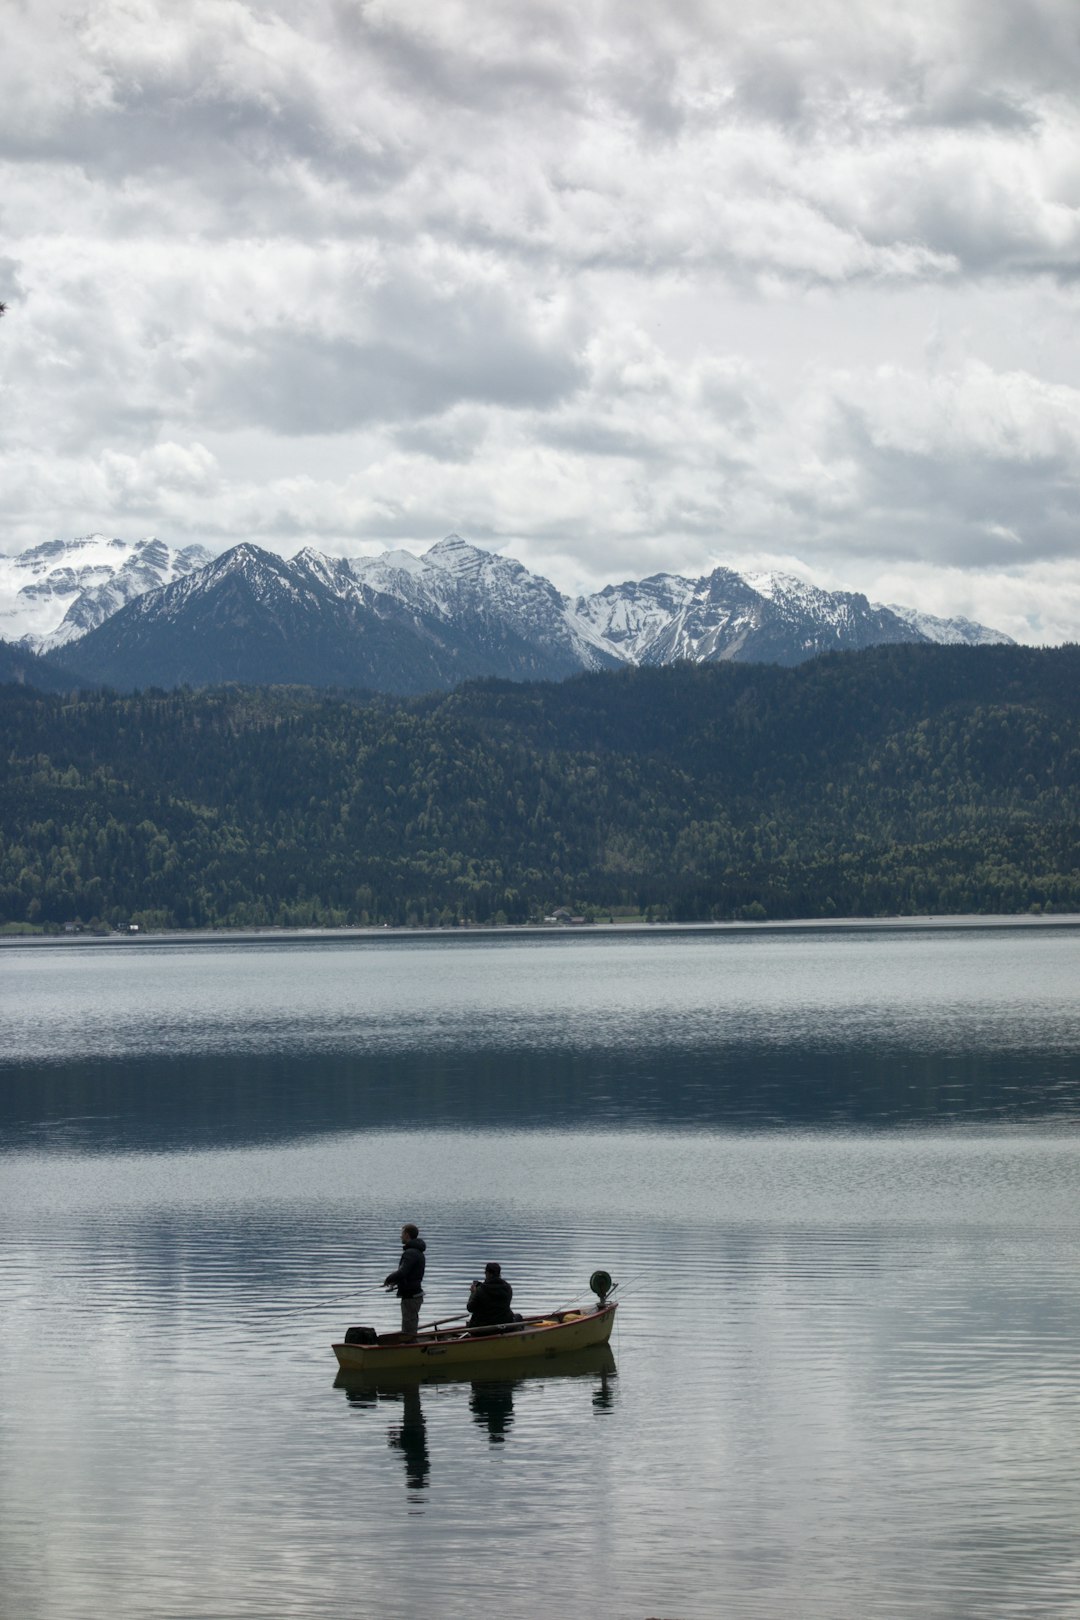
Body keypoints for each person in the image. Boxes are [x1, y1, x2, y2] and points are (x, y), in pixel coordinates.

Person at [384, 1223, 426, 1341]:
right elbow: (410, 1274)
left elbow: (403, 1272)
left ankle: (410, 1350)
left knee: (408, 1329)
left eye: (402, 1234)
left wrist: (389, 1279)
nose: (400, 1236)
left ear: (407, 1235)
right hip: (414, 1294)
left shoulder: (410, 1253)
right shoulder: (417, 1252)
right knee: (410, 1326)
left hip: (411, 1296)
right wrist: (396, 1282)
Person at [467, 1261, 515, 1328]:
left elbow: (470, 1308)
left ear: (489, 1274)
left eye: (485, 1272)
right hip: (504, 1325)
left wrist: (473, 1293)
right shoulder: (507, 1287)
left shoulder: (480, 1290)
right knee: (518, 1317)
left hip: (481, 1329)